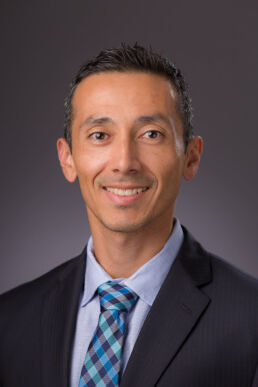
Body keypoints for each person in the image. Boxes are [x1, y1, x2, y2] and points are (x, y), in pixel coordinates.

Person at [0, 43, 258, 387]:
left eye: (151, 134)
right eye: (99, 135)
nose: (124, 161)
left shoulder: (251, 319)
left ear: (191, 157)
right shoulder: (10, 320)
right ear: (68, 158)